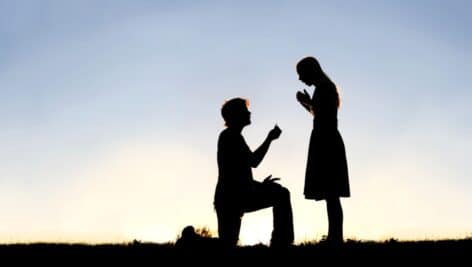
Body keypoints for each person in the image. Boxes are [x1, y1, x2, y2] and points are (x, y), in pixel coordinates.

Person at [214, 97, 294, 248]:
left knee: (281, 193)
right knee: (227, 244)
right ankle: (281, 242)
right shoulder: (230, 137)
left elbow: (240, 172)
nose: (249, 113)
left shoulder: (233, 136)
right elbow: (253, 162)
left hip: (233, 197)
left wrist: (258, 186)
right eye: (245, 111)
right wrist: (270, 139)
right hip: (231, 199)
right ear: (237, 115)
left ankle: (281, 242)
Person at [295, 56, 350, 244]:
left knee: (331, 193)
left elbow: (323, 115)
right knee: (330, 194)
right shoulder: (324, 87)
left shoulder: (325, 88)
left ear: (310, 71)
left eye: (301, 74)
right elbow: (319, 112)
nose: (300, 79)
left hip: (326, 140)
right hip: (325, 139)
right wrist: (307, 103)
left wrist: (306, 102)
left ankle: (336, 237)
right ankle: (335, 236)